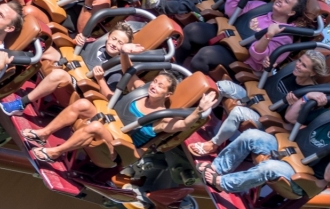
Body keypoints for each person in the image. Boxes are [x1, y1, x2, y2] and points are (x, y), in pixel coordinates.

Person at [25, 56, 216, 163]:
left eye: (160, 86)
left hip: (119, 148)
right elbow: (129, 71)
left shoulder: (162, 119)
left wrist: (198, 111)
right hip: (109, 123)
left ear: (167, 94)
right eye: (155, 81)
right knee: (82, 105)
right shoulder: (141, 90)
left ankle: (55, 152)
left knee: (96, 128)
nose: (154, 86)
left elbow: (183, 124)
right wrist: (125, 53)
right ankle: (43, 133)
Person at [199, 96, 330, 195]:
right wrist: (306, 98)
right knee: (251, 135)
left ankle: (223, 183)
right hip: (288, 150)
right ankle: (217, 168)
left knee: (268, 167)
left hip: (300, 176)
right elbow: (291, 118)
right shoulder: (326, 116)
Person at [188, 50, 330, 156]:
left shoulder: (309, 94)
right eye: (299, 61)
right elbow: (270, 85)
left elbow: (291, 120)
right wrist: (267, 68)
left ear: (312, 73)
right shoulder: (290, 72)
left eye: (304, 66)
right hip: (257, 98)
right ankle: (198, 117)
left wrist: (293, 104)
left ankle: (213, 144)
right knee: (223, 85)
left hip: (267, 119)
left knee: (238, 112)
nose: (298, 65)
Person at [0, 22, 135, 117]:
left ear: (125, 48)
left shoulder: (117, 69)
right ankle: (6, 73)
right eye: (114, 39)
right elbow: (74, 51)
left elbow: (108, 97)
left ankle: (21, 104)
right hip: (69, 65)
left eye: (120, 43)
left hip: (79, 87)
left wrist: (100, 80)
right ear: (108, 38)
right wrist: (76, 41)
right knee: (43, 48)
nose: (115, 44)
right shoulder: (96, 45)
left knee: (59, 75)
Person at [178, 0, 305, 75]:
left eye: (286, 1)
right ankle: (175, 65)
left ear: (291, 12)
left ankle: (191, 85)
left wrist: (269, 35)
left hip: (239, 55)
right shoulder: (260, 6)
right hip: (227, 34)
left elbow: (258, 57)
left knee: (204, 56)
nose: (280, 0)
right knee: (192, 29)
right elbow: (231, 11)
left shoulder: (285, 37)